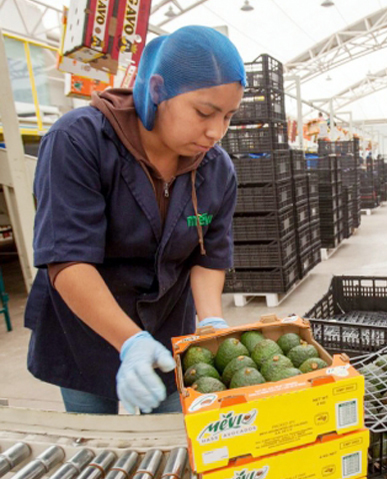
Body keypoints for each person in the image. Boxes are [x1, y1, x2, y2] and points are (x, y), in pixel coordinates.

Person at [25, 26, 246, 414]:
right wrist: (130, 341)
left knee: (174, 446)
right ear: (158, 90)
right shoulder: (78, 141)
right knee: (98, 447)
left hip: (167, 328)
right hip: (84, 328)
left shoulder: (216, 168)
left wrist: (210, 319)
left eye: (228, 116)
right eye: (204, 112)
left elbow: (208, 254)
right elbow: (68, 258)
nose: (216, 131)